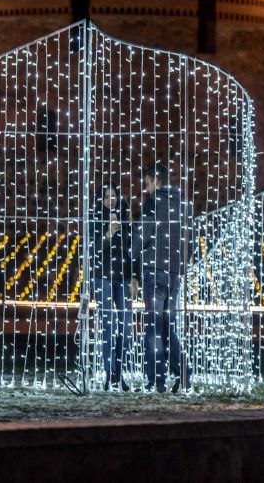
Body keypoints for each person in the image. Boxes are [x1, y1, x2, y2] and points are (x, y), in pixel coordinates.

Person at [132, 162, 192, 393]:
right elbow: (191, 239)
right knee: (167, 327)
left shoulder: (153, 202)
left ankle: (154, 380)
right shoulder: (183, 205)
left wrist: (130, 256)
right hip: (175, 273)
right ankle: (183, 372)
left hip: (154, 271)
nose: (145, 189)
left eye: (147, 184)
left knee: (153, 328)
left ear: (156, 182)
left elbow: (141, 236)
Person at [89, 185, 137, 391]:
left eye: (114, 196)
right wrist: (107, 235)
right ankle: (110, 374)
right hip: (103, 278)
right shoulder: (95, 220)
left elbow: (132, 250)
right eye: (106, 197)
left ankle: (119, 371)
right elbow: (92, 250)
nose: (111, 200)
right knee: (108, 326)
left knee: (126, 327)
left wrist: (135, 277)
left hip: (123, 278)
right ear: (100, 200)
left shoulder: (126, 221)